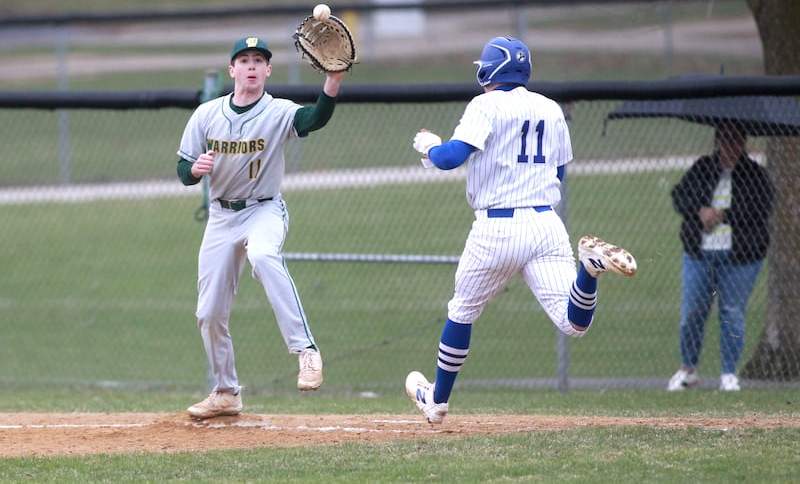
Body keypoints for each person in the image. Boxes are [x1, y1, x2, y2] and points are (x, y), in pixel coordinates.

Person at [404, 36, 638, 424]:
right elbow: (559, 171)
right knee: (574, 324)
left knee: (461, 312)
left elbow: (450, 159)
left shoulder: (486, 103)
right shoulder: (550, 107)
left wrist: (430, 147)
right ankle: (590, 268)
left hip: (497, 227)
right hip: (547, 223)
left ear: (490, 70)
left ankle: (437, 401)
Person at [176, 36, 347, 419]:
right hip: (221, 217)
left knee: (265, 255)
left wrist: (332, 81)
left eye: (259, 60)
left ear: (268, 71)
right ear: (232, 69)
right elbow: (182, 169)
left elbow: (315, 118)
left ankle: (306, 352)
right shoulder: (207, 115)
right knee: (209, 311)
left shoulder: (278, 112)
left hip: (263, 209)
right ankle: (225, 392)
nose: (252, 66)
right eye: (244, 59)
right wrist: (194, 170)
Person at [667, 123, 774, 392]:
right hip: (700, 254)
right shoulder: (703, 167)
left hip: (740, 257)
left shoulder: (753, 174)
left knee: (732, 312)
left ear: (744, 143)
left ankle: (729, 374)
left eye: (736, 141)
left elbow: (761, 206)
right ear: (718, 142)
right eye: (725, 140)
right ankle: (687, 369)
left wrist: (724, 214)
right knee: (692, 312)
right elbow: (679, 196)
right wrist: (701, 211)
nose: (730, 147)